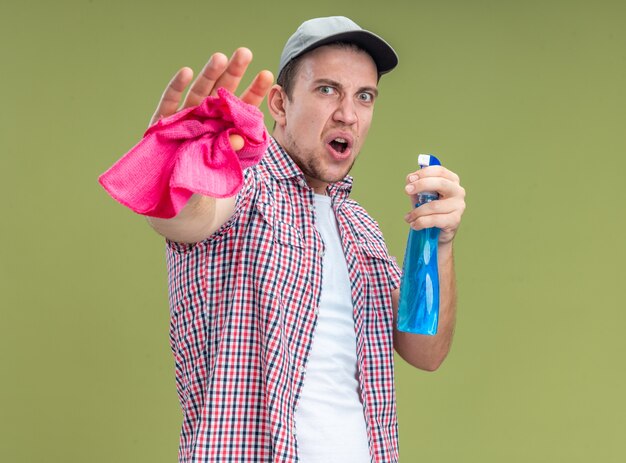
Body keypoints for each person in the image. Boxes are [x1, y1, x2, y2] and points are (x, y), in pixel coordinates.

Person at [144, 16, 465, 463]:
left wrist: (441, 243)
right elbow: (184, 216)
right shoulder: (239, 185)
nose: (348, 114)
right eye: (327, 89)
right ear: (279, 103)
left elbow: (425, 349)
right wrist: (170, 168)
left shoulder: (360, 229)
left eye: (364, 96)